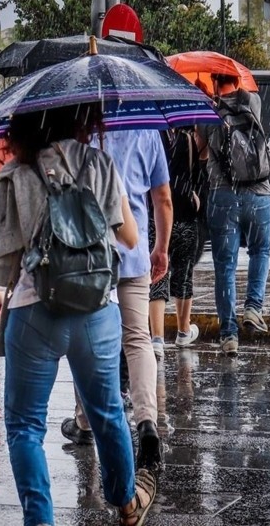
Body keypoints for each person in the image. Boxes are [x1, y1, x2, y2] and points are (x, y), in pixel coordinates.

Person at [0, 103, 156, 526]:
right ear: (79, 117)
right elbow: (129, 239)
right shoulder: (98, 162)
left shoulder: (16, 176)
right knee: (107, 412)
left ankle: (40, 520)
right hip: (95, 313)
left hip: (34, 312)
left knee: (24, 428)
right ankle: (126, 503)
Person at [61, 127, 173, 473]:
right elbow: (163, 198)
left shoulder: (82, 131)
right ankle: (146, 423)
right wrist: (161, 248)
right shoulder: (148, 132)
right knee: (138, 338)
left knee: (88, 338)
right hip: (133, 250)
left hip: (91, 254)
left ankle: (85, 422)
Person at [196, 74, 270, 356]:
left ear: (215, 81)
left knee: (225, 267)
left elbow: (201, 154)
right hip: (260, 193)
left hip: (223, 195)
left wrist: (203, 103)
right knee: (261, 251)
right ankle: (253, 307)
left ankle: (229, 336)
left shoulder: (207, 111)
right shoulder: (254, 102)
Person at [148, 127, 207, 357]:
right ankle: (183, 331)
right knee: (184, 274)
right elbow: (196, 175)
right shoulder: (188, 140)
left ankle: (157, 339)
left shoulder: (152, 138)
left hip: (158, 217)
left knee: (157, 277)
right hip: (184, 215)